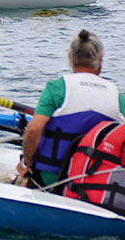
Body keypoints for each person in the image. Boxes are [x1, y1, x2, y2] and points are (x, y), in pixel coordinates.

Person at [20, 30, 125, 190]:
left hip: (52, 181)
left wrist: (26, 163)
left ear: (70, 58)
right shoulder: (117, 97)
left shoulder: (56, 88)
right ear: (100, 59)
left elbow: (34, 129)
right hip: (98, 185)